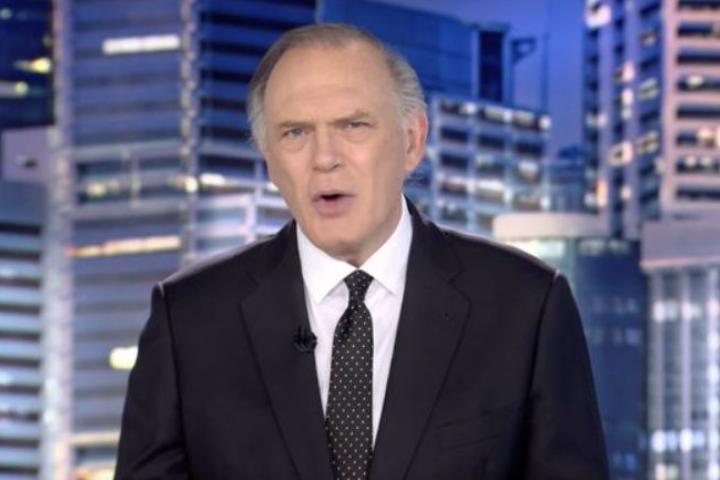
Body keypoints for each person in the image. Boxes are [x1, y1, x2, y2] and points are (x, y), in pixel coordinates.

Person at [115, 23, 609, 480]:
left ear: (412, 141)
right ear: (268, 157)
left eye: (353, 126)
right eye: (295, 132)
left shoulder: (525, 307)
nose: (325, 158)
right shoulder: (190, 320)